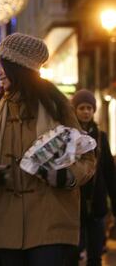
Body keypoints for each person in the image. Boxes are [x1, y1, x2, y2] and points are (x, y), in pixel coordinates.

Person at [0, 33, 96, 266]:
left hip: (51, 221)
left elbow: (87, 158)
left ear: (20, 68)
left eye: (2, 65)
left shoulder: (56, 107)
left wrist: (65, 176)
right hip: (5, 225)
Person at [68, 89, 116, 266]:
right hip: (74, 205)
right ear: (75, 110)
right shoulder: (68, 136)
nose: (86, 111)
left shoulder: (101, 137)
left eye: (89, 108)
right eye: (82, 108)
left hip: (97, 204)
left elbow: (109, 172)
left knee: (95, 256)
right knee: (72, 253)